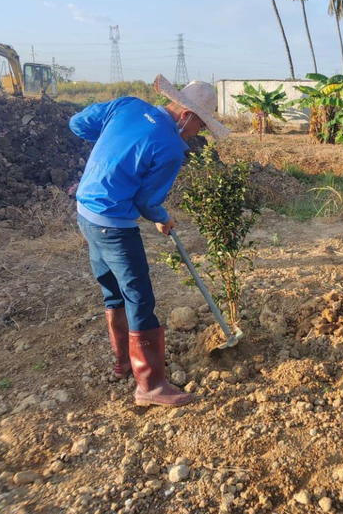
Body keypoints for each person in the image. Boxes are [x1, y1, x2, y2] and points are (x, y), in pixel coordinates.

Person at [69, 74, 230, 407]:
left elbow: (78, 123)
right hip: (114, 226)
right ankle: (151, 386)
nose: (198, 134)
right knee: (139, 298)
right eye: (201, 126)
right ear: (187, 115)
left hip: (86, 212)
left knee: (111, 291)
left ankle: (122, 364)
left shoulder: (127, 106)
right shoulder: (171, 147)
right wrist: (162, 217)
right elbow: (146, 201)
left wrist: (115, 150)